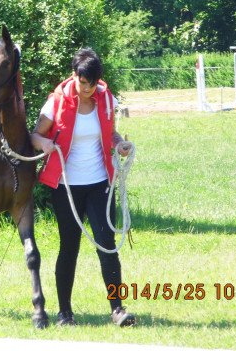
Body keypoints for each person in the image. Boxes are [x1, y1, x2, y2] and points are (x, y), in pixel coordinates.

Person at [30, 47, 136, 327]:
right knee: (69, 247)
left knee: (107, 245)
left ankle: (118, 309)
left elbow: (109, 132)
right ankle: (65, 312)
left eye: (90, 83)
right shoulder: (56, 102)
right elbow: (34, 135)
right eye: (81, 81)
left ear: (97, 81)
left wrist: (119, 145)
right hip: (66, 185)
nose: (85, 88)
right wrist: (46, 144)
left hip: (100, 183)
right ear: (75, 76)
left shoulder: (106, 100)